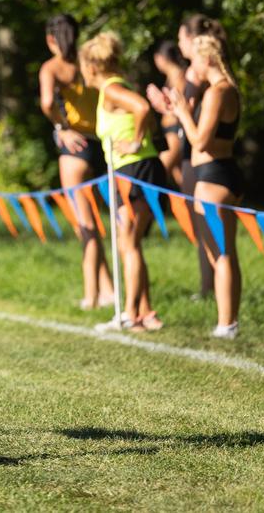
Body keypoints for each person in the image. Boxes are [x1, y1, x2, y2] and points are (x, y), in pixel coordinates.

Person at [80, 32, 167, 332]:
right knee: (131, 244)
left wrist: (134, 142)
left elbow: (142, 108)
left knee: (128, 243)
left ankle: (130, 314)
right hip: (139, 169)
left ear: (91, 66)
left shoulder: (113, 89)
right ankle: (144, 311)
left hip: (133, 170)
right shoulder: (118, 86)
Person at [160, 35, 244, 340]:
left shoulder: (218, 92)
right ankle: (227, 320)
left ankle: (227, 323)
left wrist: (182, 111)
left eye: (194, 59)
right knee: (220, 253)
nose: (190, 66)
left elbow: (200, 141)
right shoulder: (225, 90)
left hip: (214, 177)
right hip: (218, 173)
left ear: (207, 59)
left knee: (222, 254)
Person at [38, 14, 115, 310]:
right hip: (98, 145)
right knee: (93, 221)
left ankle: (91, 296)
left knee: (84, 225)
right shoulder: (89, 62)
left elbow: (47, 103)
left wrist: (62, 128)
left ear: (50, 39)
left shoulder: (52, 67)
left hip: (75, 149)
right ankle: (109, 290)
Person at [152, 41, 187, 188]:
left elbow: (179, 104)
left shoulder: (180, 77)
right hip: (169, 131)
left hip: (175, 131)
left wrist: (162, 101)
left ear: (161, 58)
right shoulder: (171, 78)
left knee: (158, 175)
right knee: (183, 183)